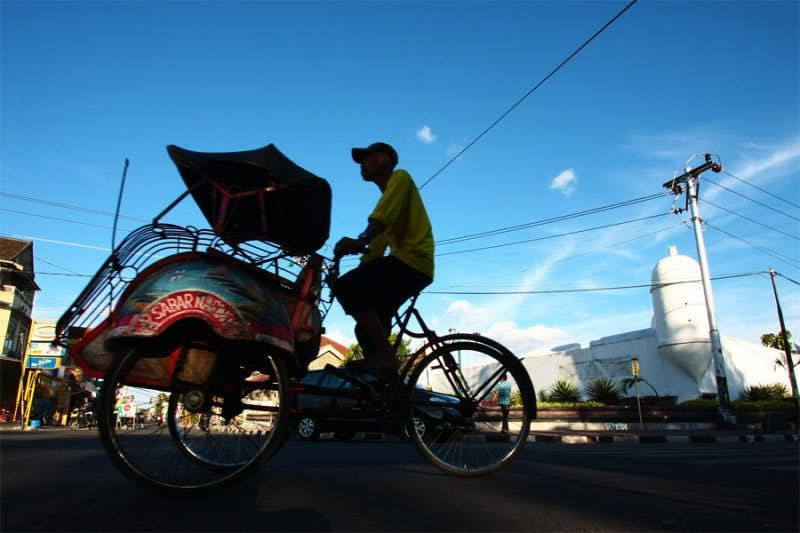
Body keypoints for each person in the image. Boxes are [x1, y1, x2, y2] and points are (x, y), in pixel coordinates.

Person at [334, 142, 434, 381]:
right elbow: (376, 246)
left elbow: (378, 223)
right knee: (367, 327)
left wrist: (361, 240)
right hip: (414, 267)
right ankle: (386, 387)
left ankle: (386, 357)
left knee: (346, 286)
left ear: (383, 159)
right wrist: (361, 260)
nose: (361, 165)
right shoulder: (390, 200)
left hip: (412, 262)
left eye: (365, 159)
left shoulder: (401, 178)